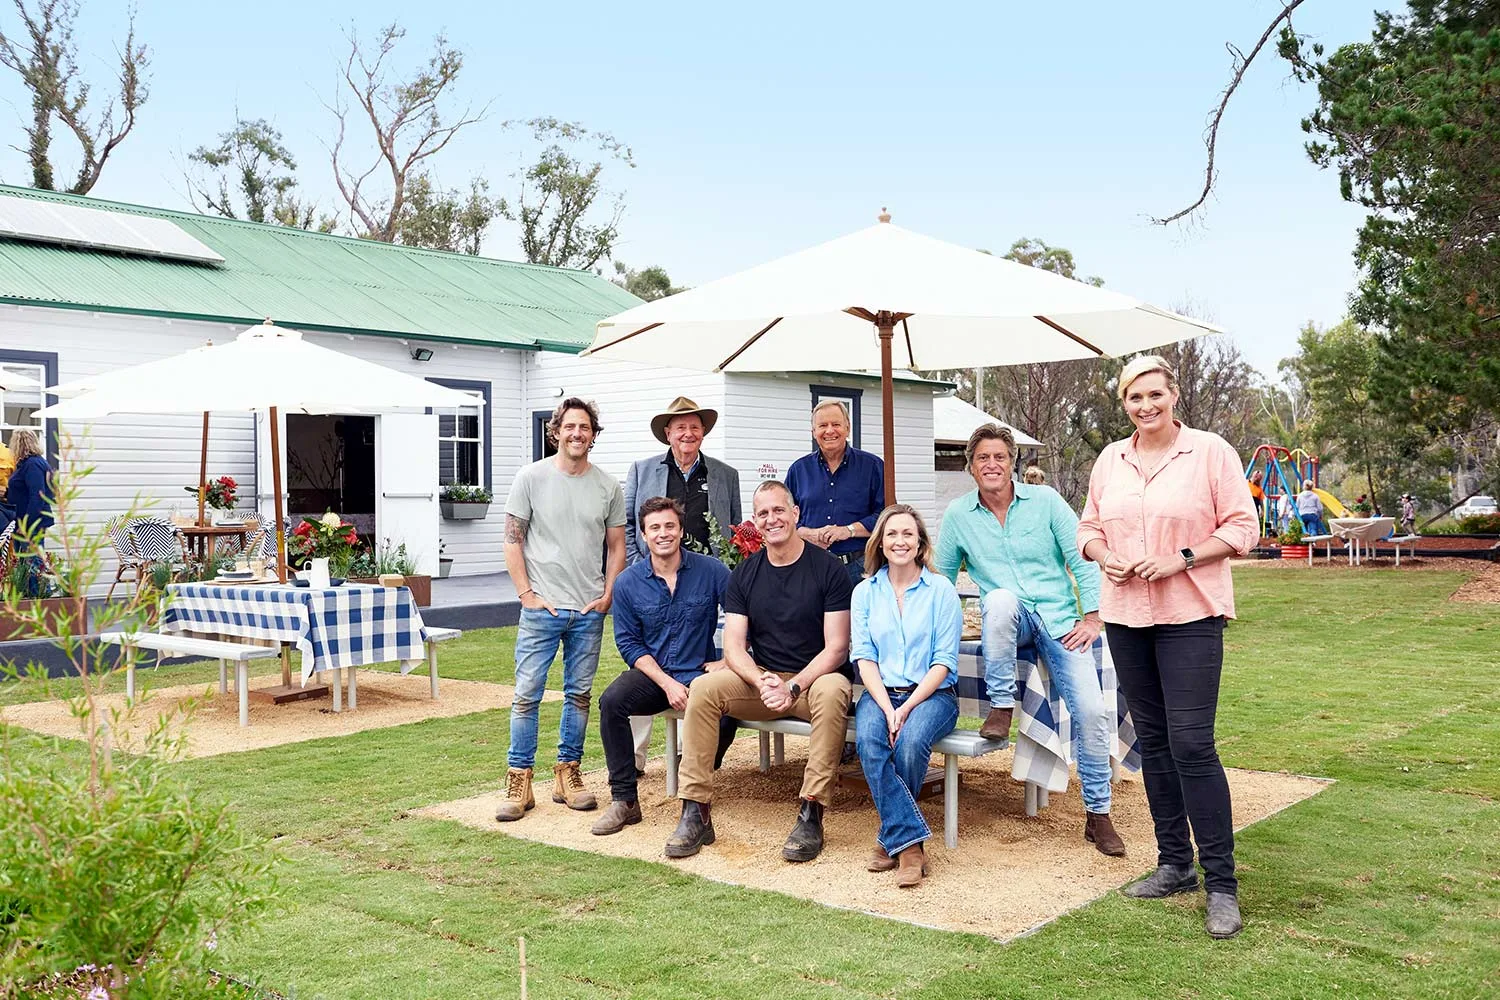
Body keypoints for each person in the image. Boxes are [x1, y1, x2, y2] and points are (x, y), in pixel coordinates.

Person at [1077, 354, 1258, 940]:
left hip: (1191, 614)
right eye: (1135, 398)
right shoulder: (1110, 459)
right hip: (1126, 615)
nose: (1146, 406)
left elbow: (1241, 528)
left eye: (1155, 394)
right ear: (1124, 403)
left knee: (1192, 745)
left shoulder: (1210, 452)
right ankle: (1175, 863)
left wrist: (1179, 559)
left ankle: (1222, 885)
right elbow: (1089, 531)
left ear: (1173, 394)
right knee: (1152, 742)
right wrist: (1109, 558)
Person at [935, 423, 1124, 856]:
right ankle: (1002, 704)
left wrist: (1094, 616)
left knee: (1093, 712)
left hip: (1060, 621)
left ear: (1013, 462)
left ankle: (1098, 815)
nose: (992, 464)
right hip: (1009, 622)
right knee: (999, 599)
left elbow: (1082, 559)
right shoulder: (958, 515)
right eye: (982, 457)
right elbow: (942, 582)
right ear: (970, 466)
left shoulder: (1046, 501)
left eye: (1000, 456)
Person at [665, 480, 853, 863]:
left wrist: (795, 686)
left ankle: (811, 812)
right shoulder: (746, 573)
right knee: (704, 688)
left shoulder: (829, 570)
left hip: (812, 681)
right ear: (756, 521)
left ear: (796, 513)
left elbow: (837, 647)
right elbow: (734, 645)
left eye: (779, 510)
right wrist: (758, 679)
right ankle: (695, 810)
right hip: (763, 679)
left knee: (835, 690)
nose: (772, 519)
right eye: (763, 514)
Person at [496, 397, 627, 823]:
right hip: (541, 610)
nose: (576, 434)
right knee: (526, 696)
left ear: (593, 434)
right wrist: (525, 594)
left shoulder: (608, 487)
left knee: (579, 695)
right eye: (569, 427)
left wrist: (607, 594)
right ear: (556, 432)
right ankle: (520, 780)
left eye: (584, 427)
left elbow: (616, 545)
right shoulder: (530, 478)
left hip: (588, 609)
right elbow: (513, 539)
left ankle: (567, 773)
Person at [591, 497, 731, 836]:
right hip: (655, 675)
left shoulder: (712, 572)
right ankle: (625, 800)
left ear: (681, 531)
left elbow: (747, 619)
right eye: (655, 528)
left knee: (728, 711)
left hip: (700, 672)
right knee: (612, 702)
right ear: (643, 535)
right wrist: (667, 683)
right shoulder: (626, 583)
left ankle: (694, 774)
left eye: (670, 526)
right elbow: (628, 644)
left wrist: (727, 661)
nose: (663, 533)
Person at [851, 504, 962, 888]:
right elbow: (864, 658)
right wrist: (887, 707)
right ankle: (910, 846)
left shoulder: (942, 590)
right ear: (880, 542)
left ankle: (890, 837)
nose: (900, 541)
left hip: (933, 696)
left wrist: (908, 708)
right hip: (880, 692)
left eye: (908, 534)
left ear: (920, 544)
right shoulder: (865, 592)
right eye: (892, 534)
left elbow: (944, 662)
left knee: (912, 743)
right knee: (868, 739)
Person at [623, 396, 742, 564]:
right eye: (681, 428)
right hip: (654, 573)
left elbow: (735, 528)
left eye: (694, 427)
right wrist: (640, 566)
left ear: (702, 432)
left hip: (708, 575)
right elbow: (625, 524)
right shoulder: (641, 471)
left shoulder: (726, 475)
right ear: (668, 433)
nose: (689, 434)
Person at [786, 400, 884, 587]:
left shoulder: (873, 467)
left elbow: (886, 516)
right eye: (822, 425)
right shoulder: (798, 470)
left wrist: (848, 531)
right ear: (814, 432)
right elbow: (786, 517)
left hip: (861, 568)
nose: (829, 431)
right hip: (810, 566)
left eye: (836, 424)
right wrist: (807, 533)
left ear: (847, 428)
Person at [5, 429, 52, 548]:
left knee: (33, 563)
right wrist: (6, 494)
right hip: (23, 521)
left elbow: (37, 496)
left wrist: (26, 524)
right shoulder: (28, 463)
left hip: (30, 525)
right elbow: (24, 491)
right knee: (23, 564)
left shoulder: (33, 465)